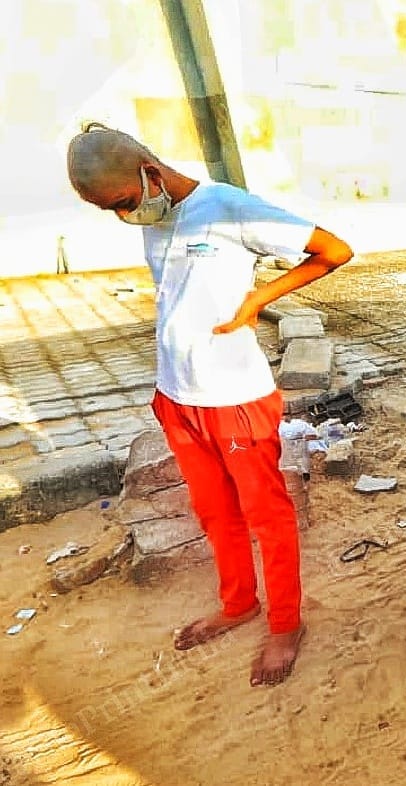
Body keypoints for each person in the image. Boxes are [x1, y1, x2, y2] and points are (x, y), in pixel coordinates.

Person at [66, 124, 354, 686]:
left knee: (266, 517)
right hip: (176, 397)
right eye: (110, 211)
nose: (124, 217)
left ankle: (286, 623)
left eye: (124, 203)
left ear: (150, 173)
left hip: (235, 399)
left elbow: (333, 251)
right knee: (215, 513)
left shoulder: (227, 207)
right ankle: (238, 603)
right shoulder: (155, 216)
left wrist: (258, 300)